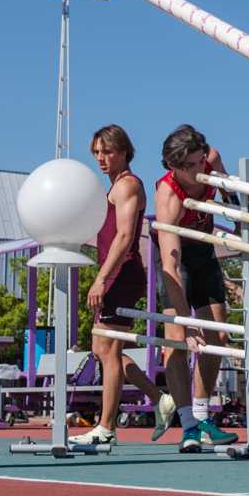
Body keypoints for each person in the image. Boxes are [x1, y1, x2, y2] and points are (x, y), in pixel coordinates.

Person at [153, 125, 238, 448]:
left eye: (200, 162)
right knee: (176, 340)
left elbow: (231, 197)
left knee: (218, 335)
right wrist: (186, 325)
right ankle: (187, 422)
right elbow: (170, 265)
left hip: (204, 253)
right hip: (178, 261)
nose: (198, 171)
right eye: (189, 167)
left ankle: (203, 416)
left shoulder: (211, 160)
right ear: (173, 166)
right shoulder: (169, 196)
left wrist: (240, 220)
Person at [77, 125, 161, 447]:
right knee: (103, 350)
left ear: (124, 151)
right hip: (114, 273)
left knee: (109, 351)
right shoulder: (113, 186)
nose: (101, 158)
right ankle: (158, 398)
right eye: (97, 152)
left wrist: (101, 278)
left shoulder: (127, 185)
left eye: (107, 151)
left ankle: (106, 427)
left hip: (122, 274)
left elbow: (125, 237)